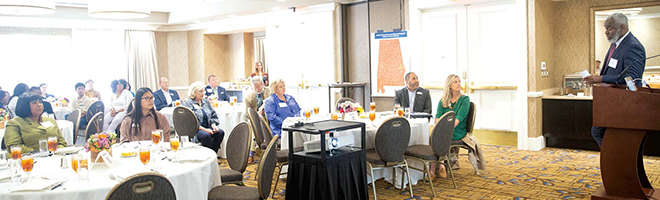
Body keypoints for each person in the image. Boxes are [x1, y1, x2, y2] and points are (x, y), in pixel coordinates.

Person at [583, 13, 646, 147]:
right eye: (605, 28)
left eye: (610, 28)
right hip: (611, 102)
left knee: (599, 132)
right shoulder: (615, 45)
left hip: (623, 104)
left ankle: (616, 162)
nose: (606, 32)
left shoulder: (632, 46)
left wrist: (601, 78)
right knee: (600, 132)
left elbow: (633, 77)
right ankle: (613, 162)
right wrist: (599, 81)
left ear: (622, 27)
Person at [184, 81, 225, 153]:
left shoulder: (205, 102)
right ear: (194, 92)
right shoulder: (188, 103)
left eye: (203, 91)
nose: (203, 94)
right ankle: (208, 156)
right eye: (200, 92)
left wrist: (213, 125)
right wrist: (205, 130)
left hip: (207, 126)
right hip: (196, 129)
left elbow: (213, 114)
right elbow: (191, 121)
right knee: (206, 136)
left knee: (220, 133)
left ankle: (213, 154)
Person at [243, 76, 272, 163]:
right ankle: (251, 152)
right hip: (256, 118)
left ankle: (252, 152)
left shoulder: (269, 92)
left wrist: (263, 108)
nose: (258, 89)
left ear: (263, 84)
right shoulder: (248, 98)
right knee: (253, 125)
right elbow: (247, 114)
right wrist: (255, 115)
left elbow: (271, 102)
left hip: (268, 116)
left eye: (259, 87)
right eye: (255, 88)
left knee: (257, 125)